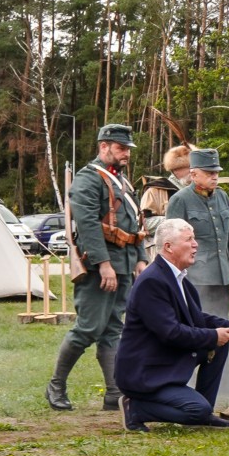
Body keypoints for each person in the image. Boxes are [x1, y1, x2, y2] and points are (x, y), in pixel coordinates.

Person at [115, 218, 229, 431]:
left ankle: (204, 412)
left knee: (219, 344)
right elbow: (170, 333)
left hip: (164, 364)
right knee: (196, 409)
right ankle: (136, 408)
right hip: (146, 375)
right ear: (168, 247)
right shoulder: (152, 281)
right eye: (189, 239)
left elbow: (198, 318)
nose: (195, 244)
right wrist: (214, 336)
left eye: (194, 238)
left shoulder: (177, 278)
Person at [46, 123, 147, 412]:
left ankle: (114, 392)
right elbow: (88, 225)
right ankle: (55, 386)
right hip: (100, 266)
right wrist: (104, 264)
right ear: (104, 147)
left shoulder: (121, 181)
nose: (125, 153)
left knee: (113, 328)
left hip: (124, 263)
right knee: (88, 328)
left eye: (127, 149)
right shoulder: (88, 179)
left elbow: (134, 224)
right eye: (120, 148)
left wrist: (140, 258)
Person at [165, 147, 229, 318]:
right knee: (198, 326)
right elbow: (170, 243)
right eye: (209, 173)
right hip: (195, 277)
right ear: (193, 175)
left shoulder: (222, 196)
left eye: (216, 172)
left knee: (223, 324)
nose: (214, 176)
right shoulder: (180, 200)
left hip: (221, 274)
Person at [138, 144, 193, 258]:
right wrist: (179, 221)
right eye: (189, 167)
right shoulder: (156, 190)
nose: (192, 171)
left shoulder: (198, 191)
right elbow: (144, 223)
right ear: (176, 169)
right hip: (163, 252)